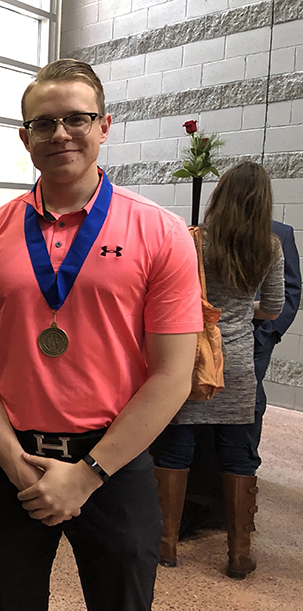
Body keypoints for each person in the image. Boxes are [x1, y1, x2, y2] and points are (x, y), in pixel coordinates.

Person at [0, 59, 202, 611]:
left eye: (77, 119)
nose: (60, 133)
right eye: (44, 123)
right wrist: (16, 465)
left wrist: (87, 476)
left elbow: (173, 374)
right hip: (11, 462)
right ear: (24, 137)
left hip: (114, 464)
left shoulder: (160, 234)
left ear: (104, 125)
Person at [154, 161, 284, 579]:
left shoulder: (194, 242)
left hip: (192, 360)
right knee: (239, 456)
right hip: (239, 365)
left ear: (219, 195)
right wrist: (244, 314)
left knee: (177, 449)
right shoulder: (270, 246)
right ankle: (238, 554)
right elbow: (275, 307)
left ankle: (167, 545)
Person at [251, 220, 300, 467]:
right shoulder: (210, 230)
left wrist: (271, 331)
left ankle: (247, 462)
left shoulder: (280, 234)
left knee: (252, 397)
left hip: (260, 334)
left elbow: (291, 288)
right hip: (216, 333)